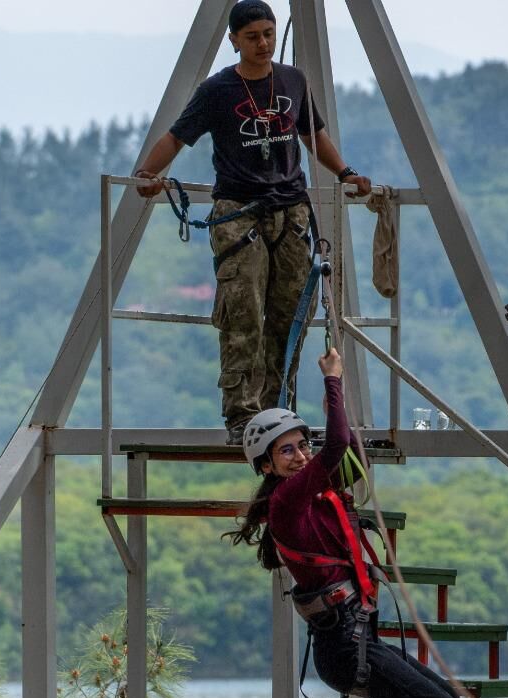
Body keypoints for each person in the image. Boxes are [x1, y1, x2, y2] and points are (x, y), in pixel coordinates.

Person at [224, 346, 458, 698]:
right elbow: (336, 446)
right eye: (286, 452)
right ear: (267, 467)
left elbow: (339, 454)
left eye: (300, 446)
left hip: (356, 638)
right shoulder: (286, 503)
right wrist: (333, 379)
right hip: (345, 647)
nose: (299, 456)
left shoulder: (314, 495)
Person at [134, 0, 373, 444]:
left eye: (268, 33)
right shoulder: (217, 90)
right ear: (234, 41)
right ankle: (243, 419)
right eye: (252, 37)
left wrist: (345, 173)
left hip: (291, 212)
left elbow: (312, 135)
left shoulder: (292, 81)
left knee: (289, 318)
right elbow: (177, 136)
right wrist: (148, 173)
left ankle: (278, 412)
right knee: (242, 316)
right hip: (239, 214)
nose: (263, 43)